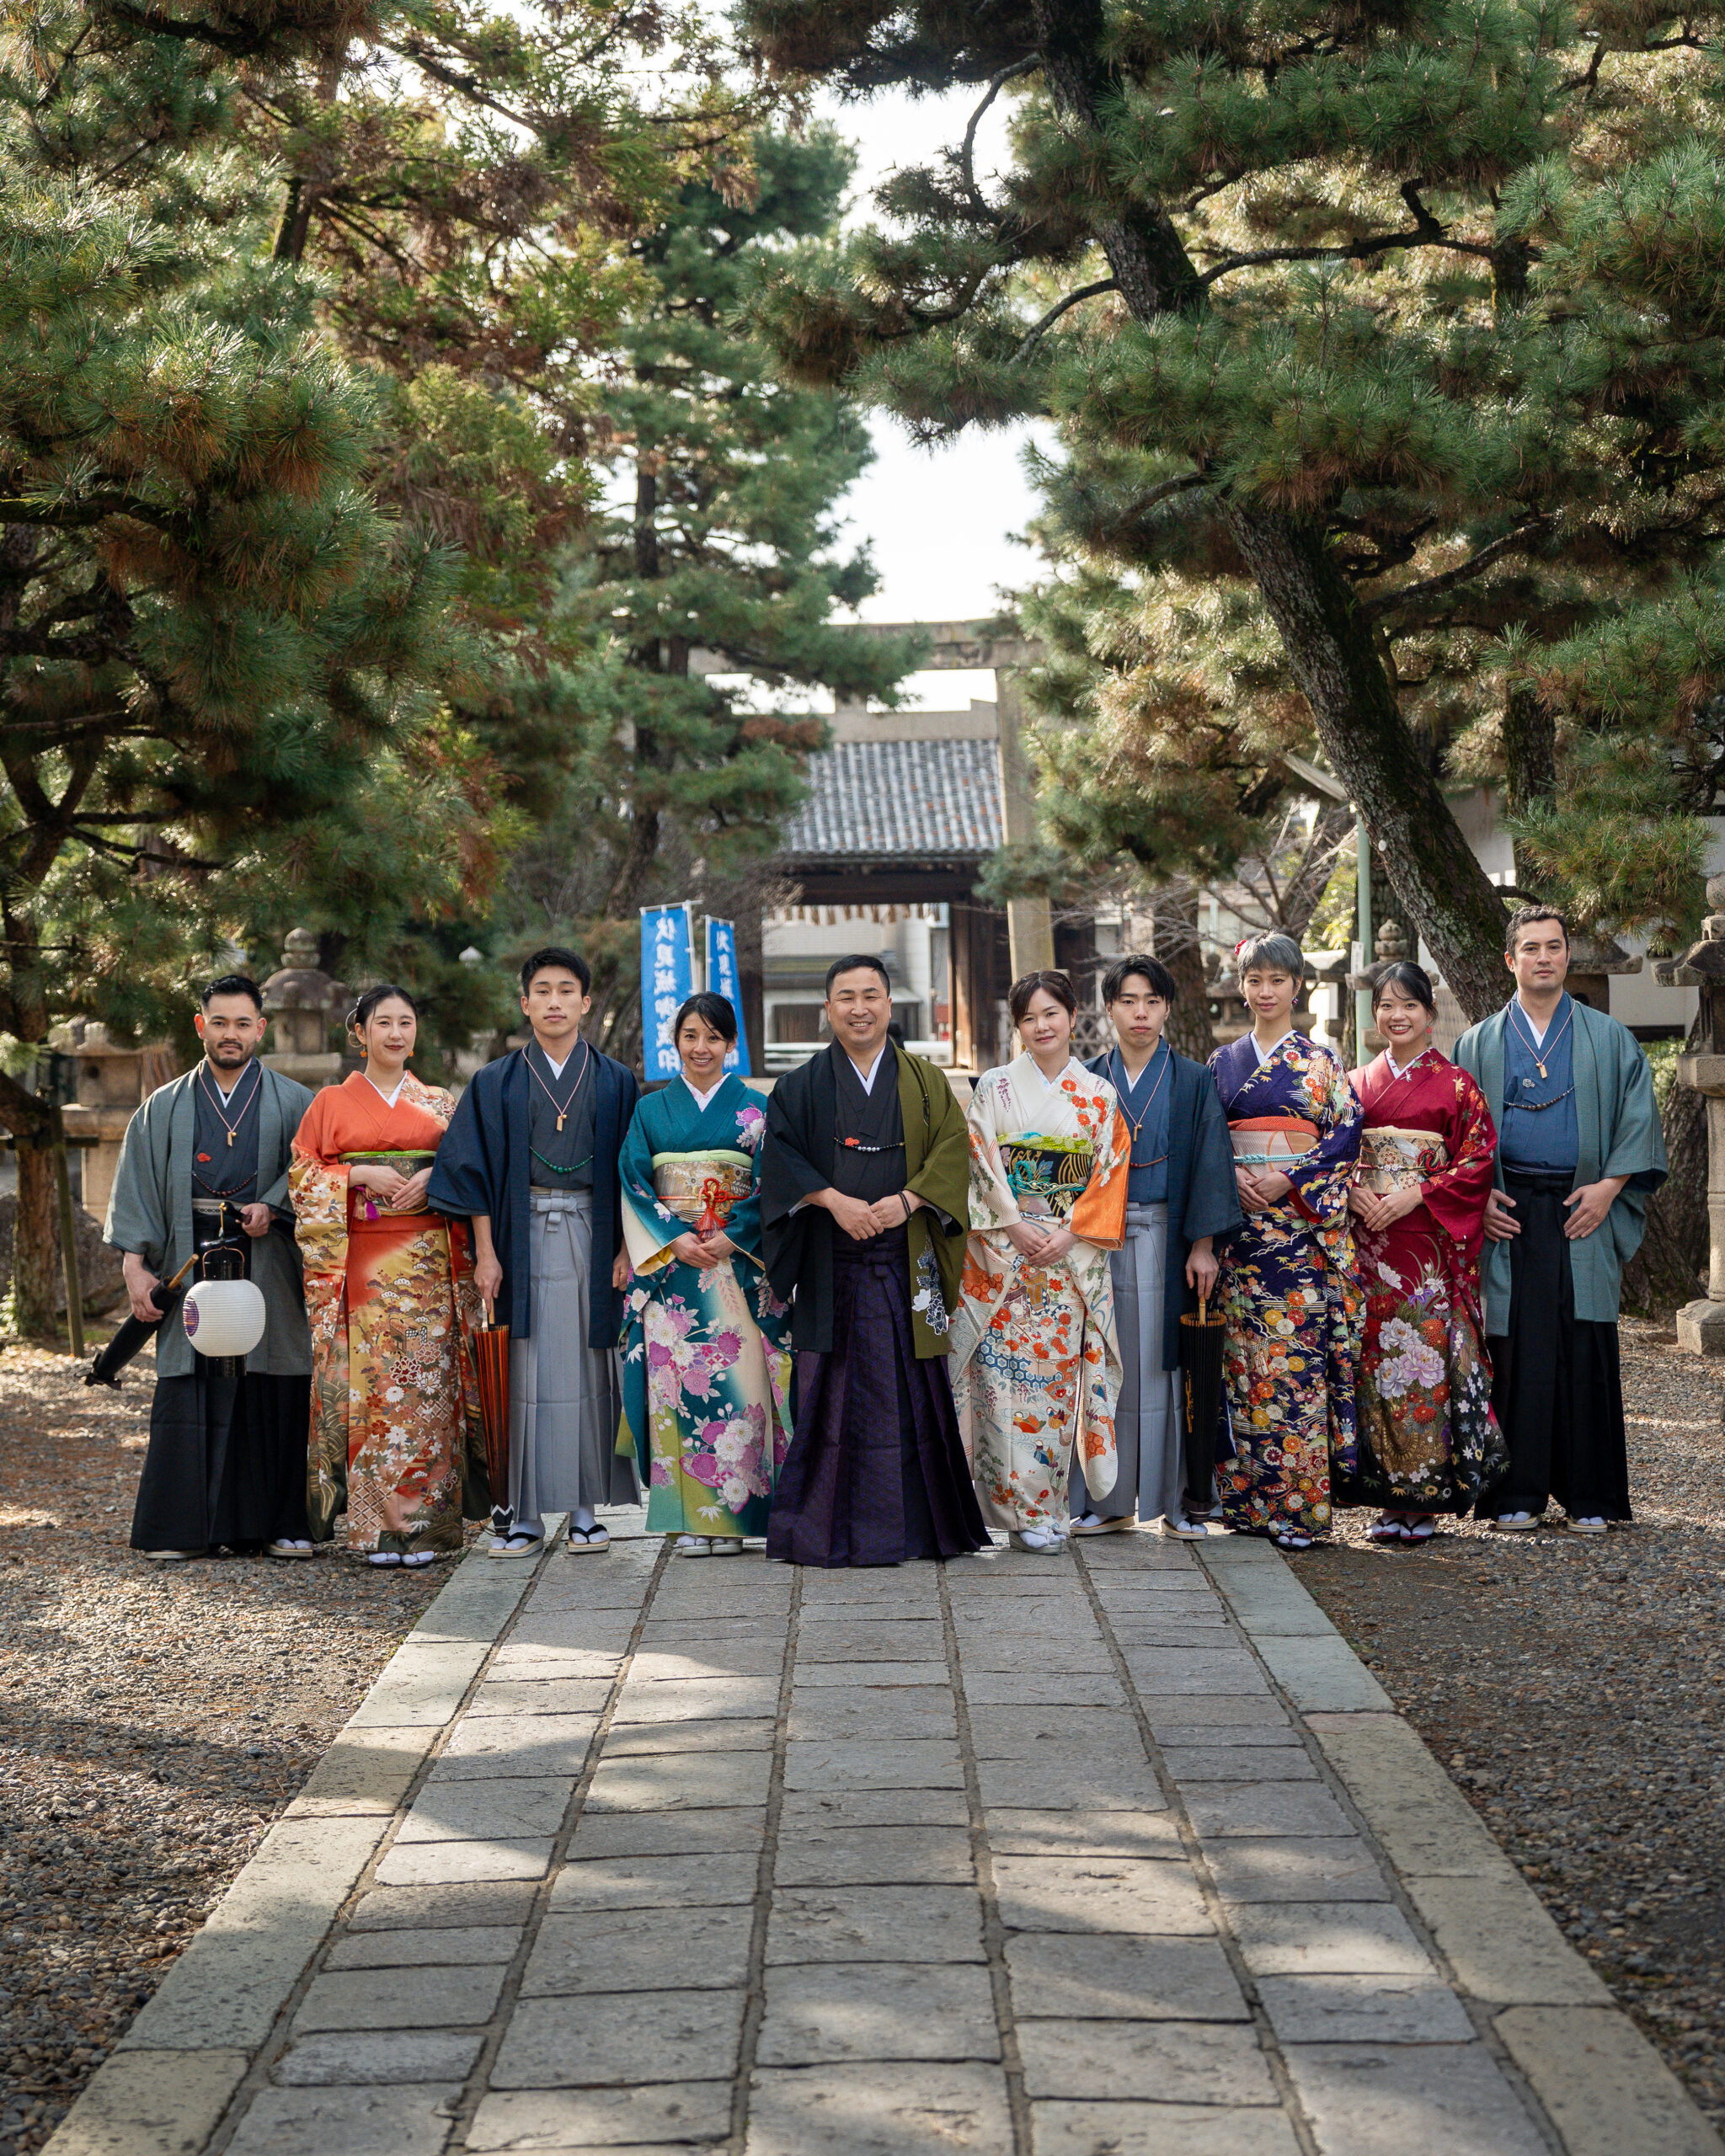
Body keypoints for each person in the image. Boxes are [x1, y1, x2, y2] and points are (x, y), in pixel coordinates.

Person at [759, 955, 988, 1566]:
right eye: (845, 997)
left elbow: (951, 1150)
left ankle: (918, 1529)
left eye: (870, 995)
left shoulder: (924, 1080)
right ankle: (823, 1529)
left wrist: (907, 1200)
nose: (859, 1008)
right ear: (827, 1009)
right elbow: (779, 1160)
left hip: (902, 1258)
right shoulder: (801, 1085)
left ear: (890, 1004)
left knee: (913, 1397)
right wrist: (834, 1202)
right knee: (827, 1400)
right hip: (831, 1265)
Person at [1454, 905, 1666, 1535]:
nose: (1543, 958)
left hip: (1584, 1208)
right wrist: (1479, 1196)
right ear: (1509, 960)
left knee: (1584, 1345)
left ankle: (1590, 1496)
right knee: (1515, 1348)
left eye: (1553, 946)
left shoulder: (1607, 1036)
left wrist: (1610, 1187)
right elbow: (1460, 1136)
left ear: (1567, 956)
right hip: (1509, 1210)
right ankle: (1514, 1494)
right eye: (1530, 948)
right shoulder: (1479, 1041)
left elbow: (1637, 1118)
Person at [427, 947, 639, 1556]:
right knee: (521, 1372)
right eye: (541, 990)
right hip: (516, 1240)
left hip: (593, 1237)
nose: (554, 1001)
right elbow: (473, 1172)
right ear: (524, 1004)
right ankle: (520, 1513)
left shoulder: (616, 1080)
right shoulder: (495, 1082)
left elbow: (633, 1172)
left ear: (586, 1003)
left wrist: (625, 1248)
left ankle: (582, 1510)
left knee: (585, 1372)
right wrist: (485, 1254)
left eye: (566, 990)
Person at [107, 974, 315, 1562]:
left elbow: (314, 1174)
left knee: (272, 1379)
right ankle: (180, 1529)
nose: (231, 1034)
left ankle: (278, 1524)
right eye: (219, 1022)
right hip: (187, 1257)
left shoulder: (295, 1102)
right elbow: (138, 1190)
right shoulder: (163, 1107)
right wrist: (134, 1265)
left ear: (261, 1029)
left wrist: (273, 1204)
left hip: (266, 1255)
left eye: (243, 1023)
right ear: (201, 1026)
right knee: (188, 1384)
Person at [291, 986, 486, 1568]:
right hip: (362, 1269)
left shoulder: (441, 1103)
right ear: (361, 1032)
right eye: (383, 1023)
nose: (396, 1034)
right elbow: (302, 1175)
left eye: (406, 1023)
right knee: (372, 1396)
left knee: (426, 1395)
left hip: (428, 1265)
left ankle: (426, 1529)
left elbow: (470, 1172)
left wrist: (437, 1180)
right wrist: (355, 1176)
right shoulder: (329, 1102)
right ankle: (376, 1530)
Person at [949, 970, 1130, 1552]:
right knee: (999, 1389)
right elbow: (980, 1159)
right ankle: (1010, 1512)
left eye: (1051, 1013)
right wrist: (1012, 1222)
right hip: (1006, 1259)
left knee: (1054, 1391)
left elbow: (1108, 1174)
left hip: (1064, 1266)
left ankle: (1046, 1505)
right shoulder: (995, 1088)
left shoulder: (1099, 1096)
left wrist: (1071, 1232)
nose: (1041, 1026)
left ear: (1073, 1017)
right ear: (1018, 1027)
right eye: (1029, 1018)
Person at [617, 992, 793, 1556]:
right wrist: (673, 1237)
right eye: (690, 1036)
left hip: (734, 1267)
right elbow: (635, 1181)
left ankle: (742, 1517)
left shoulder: (756, 1110)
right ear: (676, 1043)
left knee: (741, 1390)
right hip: (675, 1271)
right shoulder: (649, 1111)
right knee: (676, 1388)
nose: (701, 1048)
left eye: (713, 1037)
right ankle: (693, 1519)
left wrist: (733, 1233)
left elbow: (774, 1183)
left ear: (731, 1044)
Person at [1074, 954, 1242, 1540]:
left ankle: (1175, 1500)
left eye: (1151, 1001)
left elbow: (1212, 1163)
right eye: (1127, 1001)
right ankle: (1105, 1499)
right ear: (1110, 1008)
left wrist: (1203, 1245)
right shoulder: (1088, 1079)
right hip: (1095, 1240)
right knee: (1102, 1366)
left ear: (1167, 1007)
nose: (1139, 1013)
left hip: (1169, 1236)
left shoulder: (1193, 1079)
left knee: (1163, 1370)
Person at [1342, 963, 1508, 1543]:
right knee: (1376, 1369)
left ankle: (1427, 1500)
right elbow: (1335, 1153)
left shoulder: (1457, 1085)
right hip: (1370, 1245)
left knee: (1424, 1369)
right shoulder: (1356, 1083)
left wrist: (1414, 1193)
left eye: (1409, 1005)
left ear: (1430, 1014)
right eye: (1386, 1005)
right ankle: (1388, 1498)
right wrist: (1355, 1190)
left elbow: (1477, 1162)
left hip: (1427, 1252)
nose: (1396, 1015)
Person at [1207, 933, 1363, 1551]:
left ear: (1298, 987)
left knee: (1295, 1373)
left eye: (1277, 980)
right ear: (1243, 988)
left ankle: (1298, 1511)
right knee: (1242, 1368)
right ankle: (1244, 1503)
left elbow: (1345, 1138)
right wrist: (1232, 1180)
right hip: (1240, 1240)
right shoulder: (1222, 1064)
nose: (1265, 991)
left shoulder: (1321, 1064)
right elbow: (1207, 1141)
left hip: (1298, 1237)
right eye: (1254, 980)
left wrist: (1286, 1178)